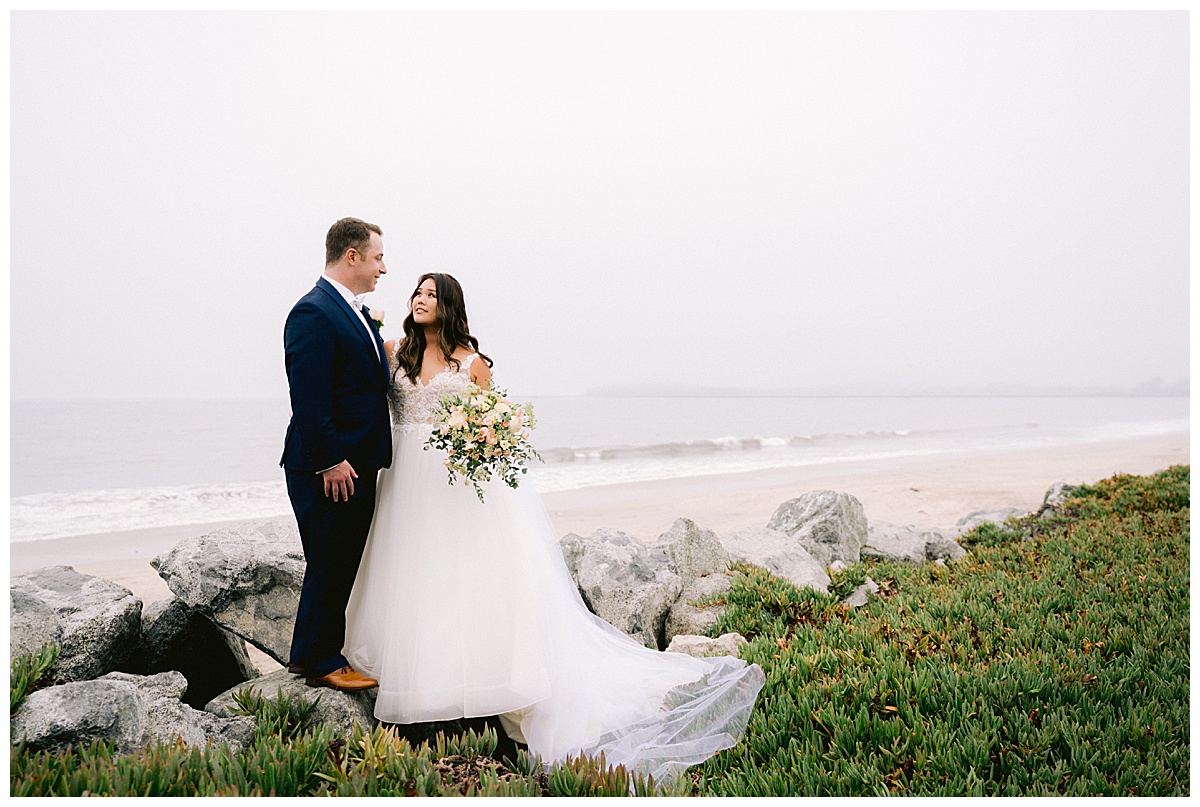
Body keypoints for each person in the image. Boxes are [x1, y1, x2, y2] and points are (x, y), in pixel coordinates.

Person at [342, 272, 764, 784]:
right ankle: (415, 681)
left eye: (431, 294)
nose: (420, 299)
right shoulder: (394, 353)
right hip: (406, 482)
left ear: (449, 305)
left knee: (465, 577)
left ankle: (477, 684)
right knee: (412, 575)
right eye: (417, 293)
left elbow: (490, 428)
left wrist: (487, 439)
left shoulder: (473, 364)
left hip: (455, 487)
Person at [281, 217, 392, 692]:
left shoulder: (354, 312)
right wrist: (329, 460)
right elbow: (308, 397)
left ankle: (313, 654)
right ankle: (321, 660)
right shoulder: (314, 312)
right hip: (328, 467)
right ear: (353, 257)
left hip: (353, 464)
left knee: (337, 560)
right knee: (330, 560)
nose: (383, 268)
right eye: (378, 257)